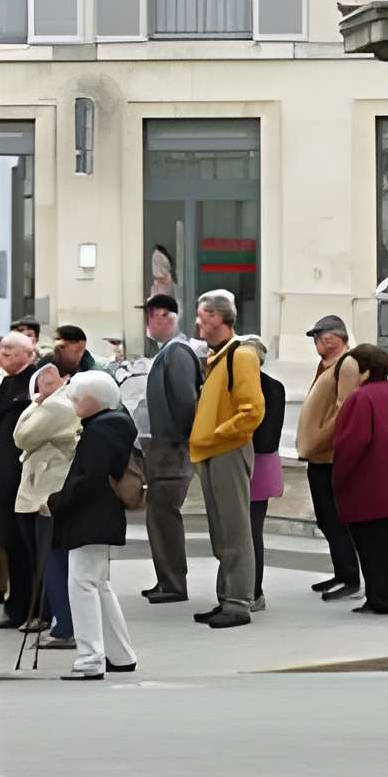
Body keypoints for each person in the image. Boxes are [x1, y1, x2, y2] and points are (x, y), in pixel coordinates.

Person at [49, 367, 138, 680]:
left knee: (83, 583)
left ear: (94, 401)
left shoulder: (102, 428)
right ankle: (120, 654)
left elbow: (89, 476)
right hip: (99, 514)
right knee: (98, 584)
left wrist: (58, 502)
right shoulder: (109, 423)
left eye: (78, 398)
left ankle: (90, 659)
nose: (73, 402)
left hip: (91, 515)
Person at [188, 291, 265, 628]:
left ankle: (238, 603)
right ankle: (227, 598)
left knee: (234, 530)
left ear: (218, 317)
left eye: (202, 315)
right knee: (222, 531)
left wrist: (221, 433)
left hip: (226, 451)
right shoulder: (219, 357)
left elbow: (252, 410)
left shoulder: (241, 356)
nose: (198, 322)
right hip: (212, 451)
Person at [331, 342, 388, 615]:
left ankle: (381, 598)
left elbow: (351, 444)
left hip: (372, 490)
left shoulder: (361, 399)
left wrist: (338, 478)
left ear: (365, 371)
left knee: (373, 548)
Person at [137, 291, 204, 606]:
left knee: (164, 517)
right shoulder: (170, 352)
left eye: (151, 317)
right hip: (166, 449)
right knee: (159, 517)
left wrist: (182, 441)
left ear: (163, 317)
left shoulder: (176, 353)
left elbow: (184, 402)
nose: (148, 324)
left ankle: (173, 582)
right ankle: (167, 579)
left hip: (172, 450)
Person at [13, 361, 82, 654]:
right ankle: (58, 621)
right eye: (40, 381)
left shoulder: (58, 407)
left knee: (53, 563)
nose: (43, 387)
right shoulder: (53, 404)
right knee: (49, 562)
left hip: (48, 494)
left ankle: (63, 626)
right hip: (42, 491)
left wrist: (34, 406)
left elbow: (21, 437)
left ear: (66, 379)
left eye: (50, 381)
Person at [295, 314, 362, 600]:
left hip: (330, 456)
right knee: (326, 518)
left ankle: (351, 577)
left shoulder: (346, 366)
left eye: (320, 337)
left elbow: (343, 411)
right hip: (318, 456)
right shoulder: (326, 366)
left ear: (335, 338)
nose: (316, 342)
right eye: (315, 338)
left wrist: (319, 438)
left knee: (336, 518)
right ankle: (342, 572)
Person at [0, 329, 41, 627]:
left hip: (19, 478)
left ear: (28, 355)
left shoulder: (31, 384)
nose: (3, 354)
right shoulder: (1, 382)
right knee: (6, 544)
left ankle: (31, 608)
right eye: (2, 350)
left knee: (23, 546)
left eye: (10, 350)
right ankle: (15, 606)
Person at [248, 351, 288, 611]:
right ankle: (253, 590)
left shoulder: (255, 388)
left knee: (249, 533)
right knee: (253, 530)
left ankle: (252, 590)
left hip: (253, 464)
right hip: (265, 463)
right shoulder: (275, 386)